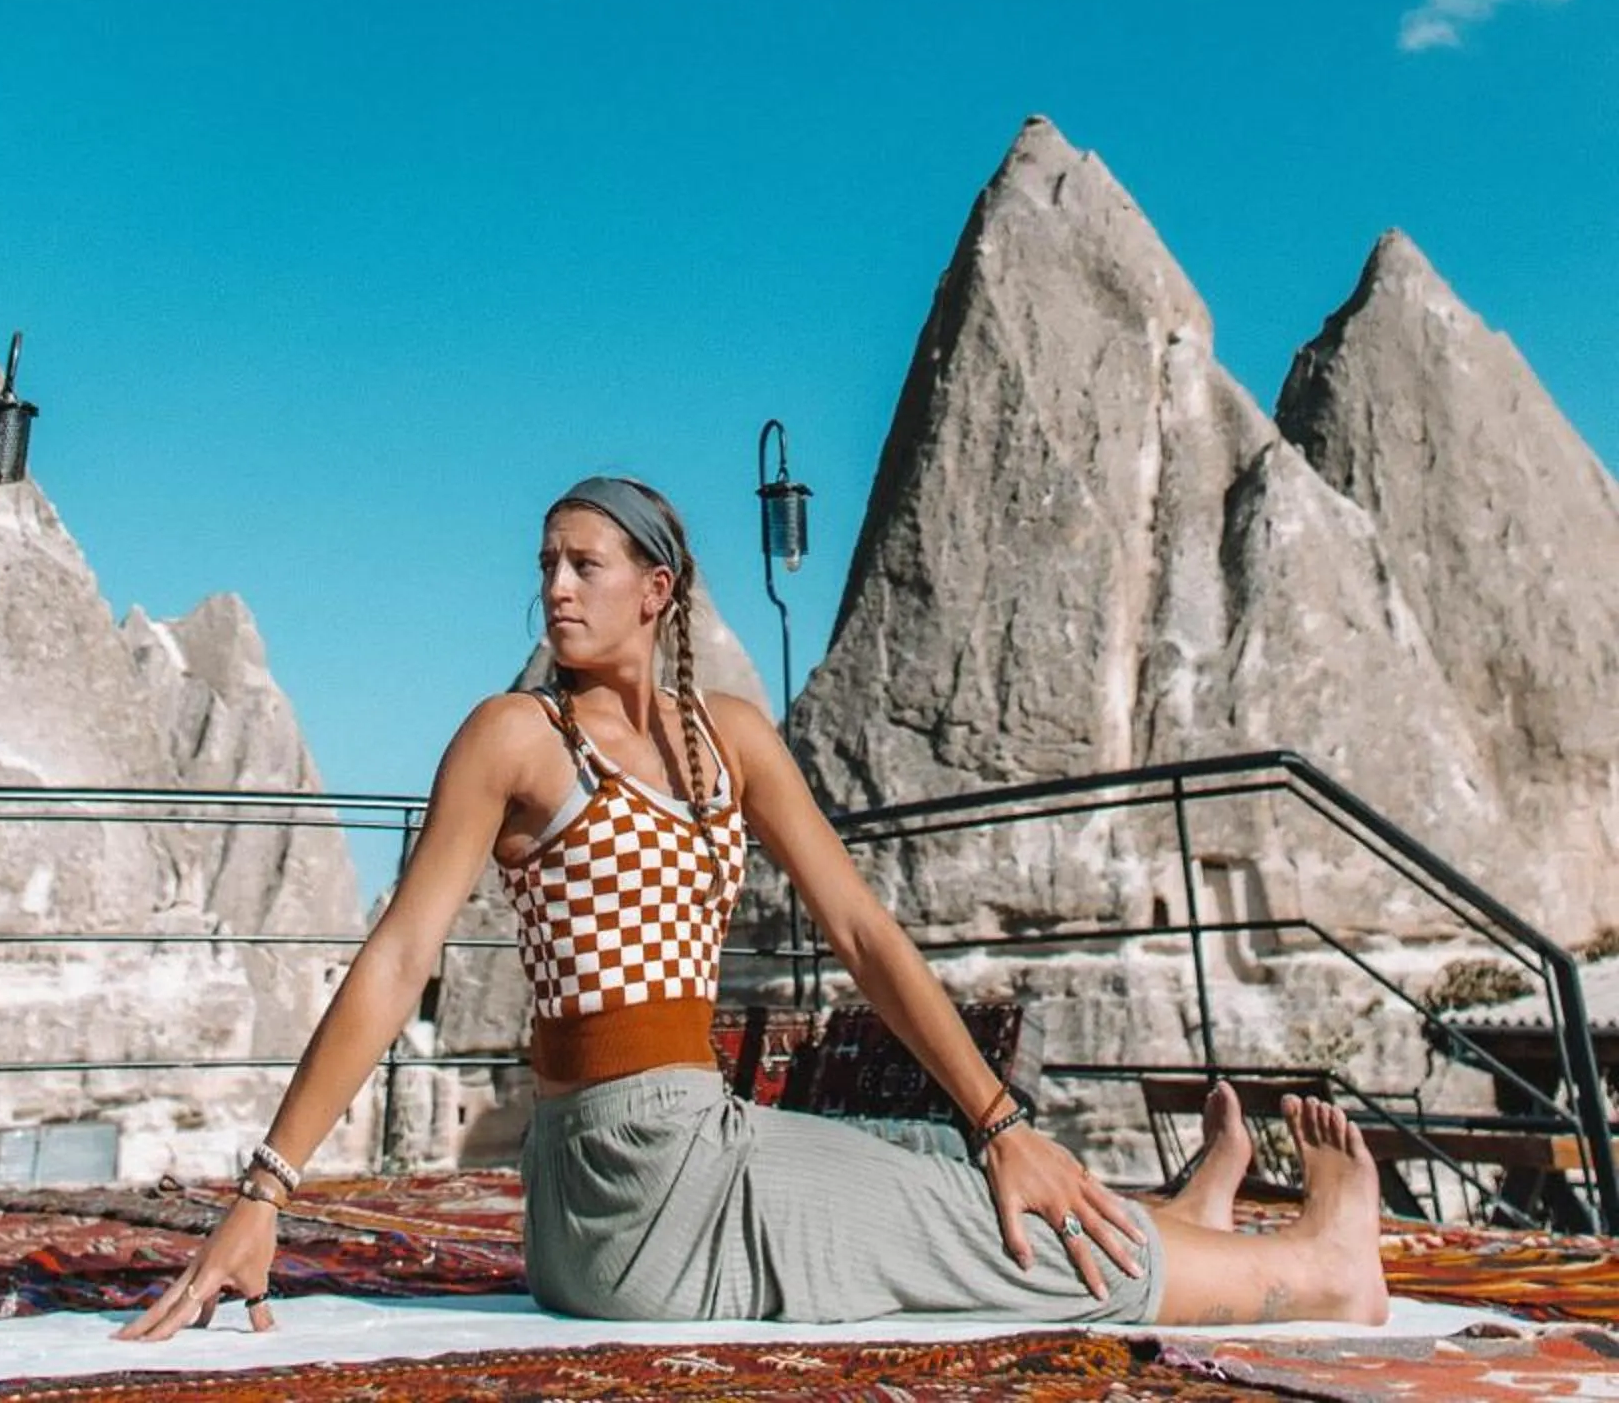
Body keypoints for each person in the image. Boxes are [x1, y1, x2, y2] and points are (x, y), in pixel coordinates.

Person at [122, 476, 1389, 1342]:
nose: (555, 589)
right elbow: (398, 957)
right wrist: (265, 1192)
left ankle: (1180, 1222)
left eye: (584, 564)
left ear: (654, 590)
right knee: (977, 1227)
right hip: (629, 1182)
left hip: (694, 1144)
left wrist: (995, 1118)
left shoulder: (732, 739)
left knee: (944, 1164)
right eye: (545, 566)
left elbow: (862, 934)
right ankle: (1321, 1274)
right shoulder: (517, 737)